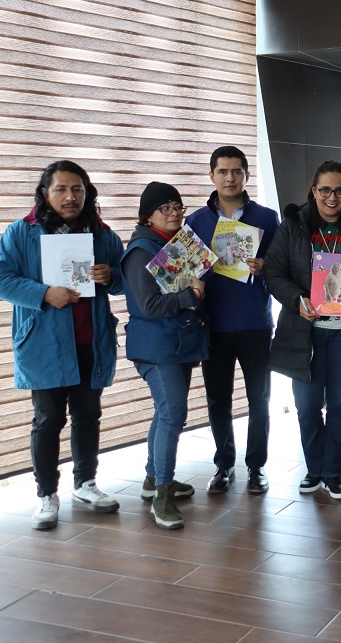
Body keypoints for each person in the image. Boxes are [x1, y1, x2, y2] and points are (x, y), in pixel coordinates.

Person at [0, 161, 124, 530]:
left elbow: (126, 280)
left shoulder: (102, 234)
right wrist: (44, 293)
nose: (70, 197)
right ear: (45, 193)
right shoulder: (22, 232)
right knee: (48, 420)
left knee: (88, 416)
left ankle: (86, 484)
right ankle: (46, 494)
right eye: (61, 189)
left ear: (87, 192)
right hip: (44, 345)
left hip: (91, 342)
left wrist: (111, 276)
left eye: (77, 189)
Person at [264, 160, 341, 500]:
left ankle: (333, 473)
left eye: (340, 191)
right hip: (305, 333)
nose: (333, 197)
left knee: (340, 406)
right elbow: (274, 272)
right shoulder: (293, 227)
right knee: (306, 406)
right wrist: (296, 299)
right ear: (313, 191)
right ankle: (313, 469)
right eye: (326, 190)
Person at [185, 146, 280, 495]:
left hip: (256, 323)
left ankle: (257, 467)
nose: (230, 178)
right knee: (218, 400)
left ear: (246, 176)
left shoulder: (267, 218)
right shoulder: (195, 222)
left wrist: (265, 266)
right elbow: (184, 273)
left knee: (260, 399)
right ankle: (223, 464)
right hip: (214, 325)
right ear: (211, 175)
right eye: (223, 171)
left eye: (236, 171)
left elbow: (282, 266)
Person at [121, 181, 209, 529]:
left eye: (178, 207)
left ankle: (152, 478)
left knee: (165, 413)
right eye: (165, 208)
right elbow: (150, 305)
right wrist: (192, 296)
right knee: (173, 415)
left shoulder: (174, 244)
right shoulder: (141, 251)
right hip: (156, 347)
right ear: (148, 215)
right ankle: (162, 495)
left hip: (177, 342)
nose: (174, 213)